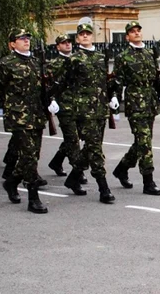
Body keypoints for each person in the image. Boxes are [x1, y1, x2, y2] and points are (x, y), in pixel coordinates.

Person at [0, 29, 57, 214]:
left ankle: (11, 182)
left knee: (33, 155)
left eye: (27, 38)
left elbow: (46, 86)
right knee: (27, 156)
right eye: (21, 38)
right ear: (12, 44)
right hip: (18, 116)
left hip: (37, 114)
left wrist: (51, 100)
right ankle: (33, 198)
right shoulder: (5, 64)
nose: (26, 41)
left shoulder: (36, 62)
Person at [56, 24, 116, 204]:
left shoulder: (100, 57)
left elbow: (105, 81)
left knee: (90, 147)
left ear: (92, 36)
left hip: (100, 109)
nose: (85, 36)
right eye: (81, 34)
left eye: (88, 34)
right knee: (95, 148)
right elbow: (63, 82)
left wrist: (112, 98)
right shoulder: (73, 59)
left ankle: (73, 177)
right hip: (83, 111)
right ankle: (103, 187)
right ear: (77, 39)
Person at [112, 21, 160, 196]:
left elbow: (156, 77)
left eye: (138, 31)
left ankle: (122, 168)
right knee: (144, 141)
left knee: (143, 141)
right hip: (135, 102)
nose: (136, 33)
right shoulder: (123, 56)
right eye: (132, 31)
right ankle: (148, 181)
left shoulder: (149, 53)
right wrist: (114, 99)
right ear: (127, 36)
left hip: (150, 102)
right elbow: (118, 80)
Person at [46, 34, 74, 177]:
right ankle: (77, 171)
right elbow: (48, 85)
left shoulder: (77, 60)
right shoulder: (53, 64)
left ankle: (57, 161)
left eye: (69, 42)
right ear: (58, 46)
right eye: (64, 43)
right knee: (72, 138)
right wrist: (52, 100)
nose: (67, 45)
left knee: (74, 137)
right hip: (63, 104)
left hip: (78, 104)